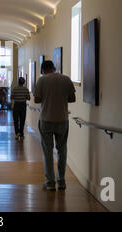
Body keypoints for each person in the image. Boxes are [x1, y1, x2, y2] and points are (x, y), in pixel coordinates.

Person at [34, 60, 76, 191]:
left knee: (47, 151)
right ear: (54, 68)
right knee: (62, 150)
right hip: (62, 119)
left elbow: (36, 99)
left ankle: (50, 182)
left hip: (46, 119)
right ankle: (62, 181)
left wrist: (47, 97)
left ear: (42, 70)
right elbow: (72, 98)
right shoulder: (66, 79)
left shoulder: (41, 80)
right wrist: (60, 98)